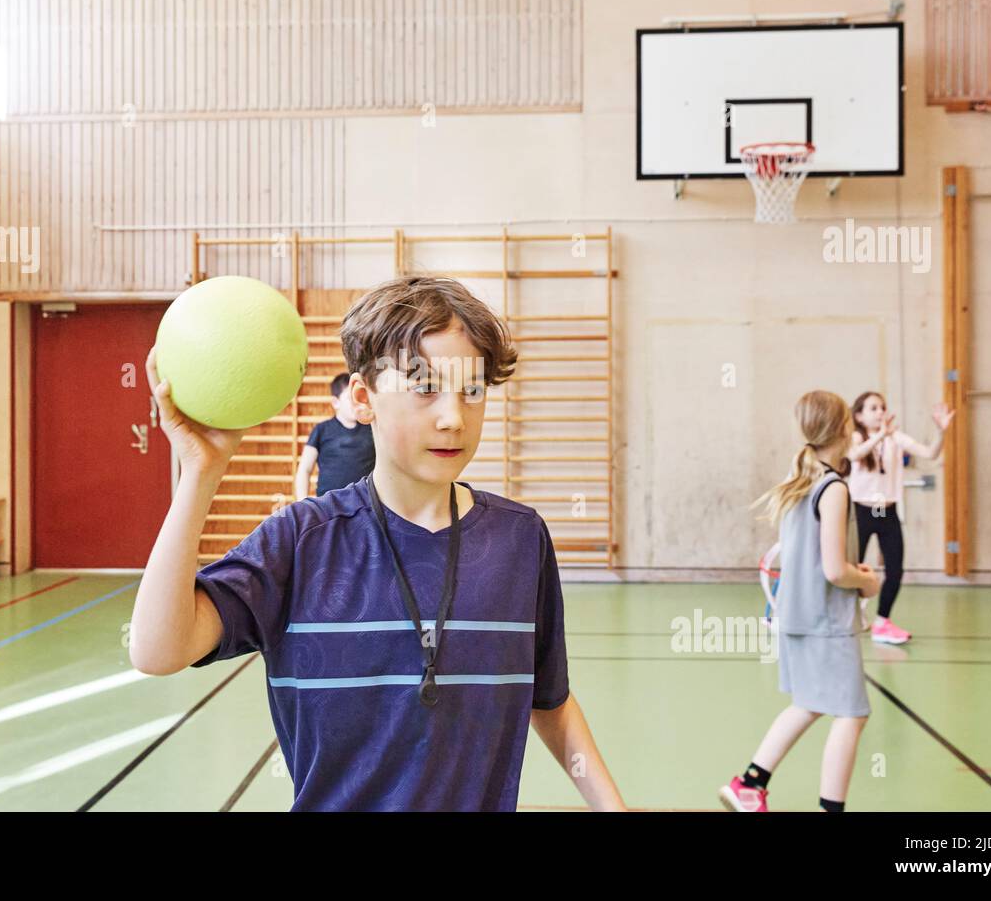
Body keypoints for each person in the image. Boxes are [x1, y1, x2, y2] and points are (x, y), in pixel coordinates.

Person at [129, 274, 627, 811]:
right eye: (424, 386)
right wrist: (201, 472)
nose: (452, 417)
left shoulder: (519, 539)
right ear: (364, 399)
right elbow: (158, 651)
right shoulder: (302, 541)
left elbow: (549, 702)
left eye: (473, 390)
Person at [720, 390, 880, 813]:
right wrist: (866, 582)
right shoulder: (833, 488)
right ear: (846, 428)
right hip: (825, 621)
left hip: (795, 616)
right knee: (851, 714)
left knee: (808, 703)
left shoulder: (799, 482)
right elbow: (833, 569)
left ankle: (748, 786)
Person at [847, 392, 954, 644]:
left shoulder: (895, 438)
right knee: (852, 568)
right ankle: (850, 614)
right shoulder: (855, 438)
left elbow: (929, 454)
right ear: (859, 415)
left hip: (887, 511)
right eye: (873, 408)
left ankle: (882, 622)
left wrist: (941, 432)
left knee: (895, 569)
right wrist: (879, 437)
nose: (880, 412)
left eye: (882, 407)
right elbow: (853, 456)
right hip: (861, 511)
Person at [294, 372, 375, 501]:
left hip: (366, 505)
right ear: (335, 402)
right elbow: (305, 469)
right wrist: (302, 504)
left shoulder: (372, 428)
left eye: (358, 397)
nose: (356, 403)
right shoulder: (322, 430)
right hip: (329, 506)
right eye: (349, 398)